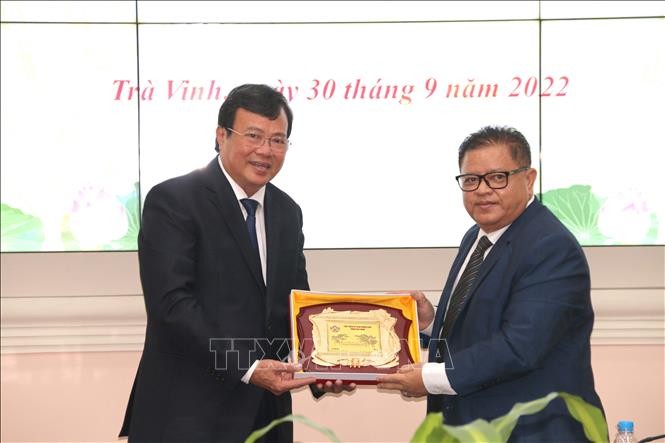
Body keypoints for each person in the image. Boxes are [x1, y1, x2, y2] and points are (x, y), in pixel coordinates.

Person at [119, 84, 350, 443]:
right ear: (221, 135)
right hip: (187, 416)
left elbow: (297, 306)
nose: (265, 150)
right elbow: (172, 306)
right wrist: (249, 367)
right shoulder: (174, 200)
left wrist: (323, 367)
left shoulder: (288, 212)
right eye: (253, 136)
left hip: (266, 419)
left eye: (278, 140)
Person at [377, 126, 605, 441]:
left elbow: (520, 347)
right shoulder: (476, 237)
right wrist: (431, 321)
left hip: (529, 432)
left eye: (498, 177)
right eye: (471, 180)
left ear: (529, 179)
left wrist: (431, 377)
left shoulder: (551, 246)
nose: (482, 190)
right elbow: (483, 322)